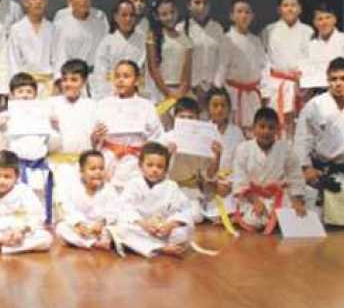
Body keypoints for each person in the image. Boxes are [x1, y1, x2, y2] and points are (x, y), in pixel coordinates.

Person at [295, 57, 344, 216]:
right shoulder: (315, 105)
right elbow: (302, 139)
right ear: (327, 81)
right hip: (317, 175)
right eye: (334, 79)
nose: (338, 83)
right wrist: (306, 168)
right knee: (309, 216)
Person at [111, 142, 194, 258]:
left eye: (160, 167)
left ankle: (148, 245)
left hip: (163, 230)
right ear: (140, 165)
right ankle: (161, 248)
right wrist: (143, 223)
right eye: (150, 165)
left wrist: (171, 224)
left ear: (166, 169)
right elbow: (124, 208)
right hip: (141, 227)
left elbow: (185, 210)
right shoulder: (134, 184)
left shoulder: (171, 186)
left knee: (182, 233)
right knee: (121, 230)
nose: (154, 170)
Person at [231, 107, 305, 232]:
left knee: (295, 215)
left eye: (271, 128)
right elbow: (240, 179)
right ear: (253, 128)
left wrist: (297, 200)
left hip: (277, 197)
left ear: (277, 130)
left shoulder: (285, 149)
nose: (266, 131)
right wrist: (255, 200)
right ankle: (268, 218)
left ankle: (276, 218)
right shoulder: (243, 149)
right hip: (251, 197)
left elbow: (295, 176)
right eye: (262, 126)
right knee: (253, 219)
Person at [92, 60, 162, 192]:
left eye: (126, 76)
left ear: (136, 80)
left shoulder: (146, 106)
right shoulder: (103, 104)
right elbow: (95, 138)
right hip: (109, 159)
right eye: (117, 76)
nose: (120, 80)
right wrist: (95, 137)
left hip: (136, 162)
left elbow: (156, 137)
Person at [0, 72, 60, 223]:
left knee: (39, 202)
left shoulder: (43, 114)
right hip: (17, 166)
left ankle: (40, 225)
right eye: (20, 92)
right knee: (17, 202)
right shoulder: (6, 116)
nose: (25, 96)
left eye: (29, 92)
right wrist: (2, 128)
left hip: (39, 164)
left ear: (35, 94)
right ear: (12, 95)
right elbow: (1, 147)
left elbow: (53, 146)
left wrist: (55, 128)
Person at [158, 96, 222, 223]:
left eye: (191, 118)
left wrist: (217, 157)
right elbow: (155, 170)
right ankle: (175, 219)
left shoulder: (204, 142)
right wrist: (168, 155)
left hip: (189, 189)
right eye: (182, 117)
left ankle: (175, 220)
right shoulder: (165, 139)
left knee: (196, 216)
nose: (186, 121)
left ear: (197, 119)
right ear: (174, 118)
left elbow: (208, 175)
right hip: (167, 187)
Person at [260, 0, 314, 137]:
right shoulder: (269, 30)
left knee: (297, 127)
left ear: (300, 9)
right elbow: (264, 61)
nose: (290, 9)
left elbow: (311, 61)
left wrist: (305, 82)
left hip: (298, 85)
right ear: (279, 9)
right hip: (275, 85)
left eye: (293, 5)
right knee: (276, 125)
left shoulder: (308, 32)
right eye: (285, 5)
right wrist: (265, 89)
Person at [48, 59, 97, 214]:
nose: (68, 84)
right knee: (59, 207)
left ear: (83, 81)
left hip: (82, 166)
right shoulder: (50, 104)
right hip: (57, 164)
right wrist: (51, 128)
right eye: (65, 80)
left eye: (74, 80)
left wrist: (96, 139)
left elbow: (96, 142)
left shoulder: (92, 106)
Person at [213, 0, 267, 132]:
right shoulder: (227, 39)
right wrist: (218, 91)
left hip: (253, 94)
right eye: (239, 11)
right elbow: (222, 67)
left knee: (252, 131)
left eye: (247, 12)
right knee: (233, 130)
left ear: (252, 16)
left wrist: (265, 92)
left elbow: (263, 67)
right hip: (233, 93)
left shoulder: (256, 40)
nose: (244, 15)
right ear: (232, 16)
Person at [53, 0, 109, 94]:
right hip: (72, 79)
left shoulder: (100, 20)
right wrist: (60, 81)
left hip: (96, 78)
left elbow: (105, 51)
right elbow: (58, 55)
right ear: (69, 0)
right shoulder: (61, 23)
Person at [55, 150, 117, 250]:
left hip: (101, 228)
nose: (98, 172)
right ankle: (92, 243)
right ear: (82, 172)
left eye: (101, 169)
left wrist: (102, 223)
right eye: (92, 169)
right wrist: (78, 224)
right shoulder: (73, 187)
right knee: (61, 228)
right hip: (82, 227)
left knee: (121, 229)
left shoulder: (109, 188)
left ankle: (88, 241)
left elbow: (114, 210)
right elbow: (67, 208)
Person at [7, 0, 56, 96]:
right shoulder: (16, 29)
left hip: (48, 85)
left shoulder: (53, 29)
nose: (38, 2)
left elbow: (58, 60)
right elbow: (13, 61)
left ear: (46, 2)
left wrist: (57, 84)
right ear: (25, 2)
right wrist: (17, 86)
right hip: (24, 87)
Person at [176, 0, 225, 104]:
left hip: (213, 90)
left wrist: (215, 85)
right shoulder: (181, 29)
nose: (201, 7)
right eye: (197, 3)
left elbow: (222, 60)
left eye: (205, 3)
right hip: (189, 89)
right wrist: (194, 86)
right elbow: (178, 62)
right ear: (189, 5)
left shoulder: (217, 28)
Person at [93, 0, 148, 99]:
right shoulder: (107, 43)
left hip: (138, 92)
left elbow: (148, 71)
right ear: (115, 17)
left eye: (132, 15)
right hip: (112, 92)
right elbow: (100, 73)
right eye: (124, 15)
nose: (128, 19)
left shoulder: (143, 40)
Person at [145, 0, 193, 112]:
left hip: (182, 92)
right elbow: (153, 68)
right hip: (160, 92)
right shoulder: (153, 37)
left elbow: (187, 69)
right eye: (164, 14)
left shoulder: (185, 39)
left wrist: (181, 90)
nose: (169, 17)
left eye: (172, 12)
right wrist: (168, 92)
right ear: (157, 16)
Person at [303, 3, 344, 97]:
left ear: (334, 19)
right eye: (320, 19)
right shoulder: (311, 45)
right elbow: (306, 72)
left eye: (328, 17)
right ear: (315, 23)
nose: (324, 22)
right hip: (318, 93)